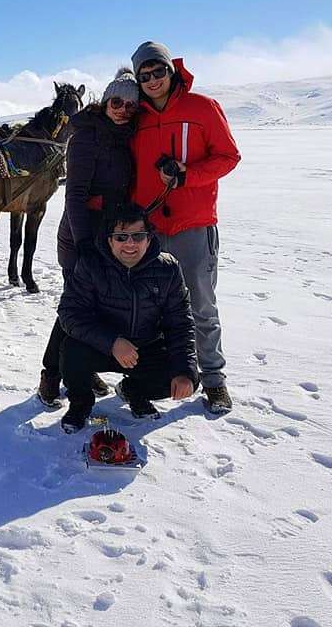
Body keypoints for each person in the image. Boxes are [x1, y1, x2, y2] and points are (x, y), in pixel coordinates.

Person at [129, 41, 241, 414]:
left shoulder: (203, 108)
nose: (153, 80)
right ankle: (157, 375)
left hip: (193, 225)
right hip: (149, 229)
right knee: (149, 308)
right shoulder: (136, 118)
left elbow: (228, 156)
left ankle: (213, 380)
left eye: (158, 71)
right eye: (144, 76)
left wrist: (188, 176)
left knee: (200, 305)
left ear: (171, 70)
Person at [37, 68, 139, 410]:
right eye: (116, 102)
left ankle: (79, 367)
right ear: (104, 101)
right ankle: (51, 375)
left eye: (130, 105)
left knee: (96, 308)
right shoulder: (86, 135)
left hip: (110, 236)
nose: (123, 109)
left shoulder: (123, 135)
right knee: (76, 307)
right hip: (81, 234)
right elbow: (75, 195)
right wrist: (83, 244)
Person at [56, 202, 198, 432]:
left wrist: (185, 371)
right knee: (71, 352)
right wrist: (111, 342)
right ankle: (80, 405)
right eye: (121, 237)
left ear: (149, 238)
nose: (130, 244)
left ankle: (135, 391)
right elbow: (70, 314)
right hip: (102, 346)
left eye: (138, 236)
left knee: (184, 376)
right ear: (109, 240)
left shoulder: (167, 269)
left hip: (146, 348)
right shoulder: (91, 265)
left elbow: (180, 324)